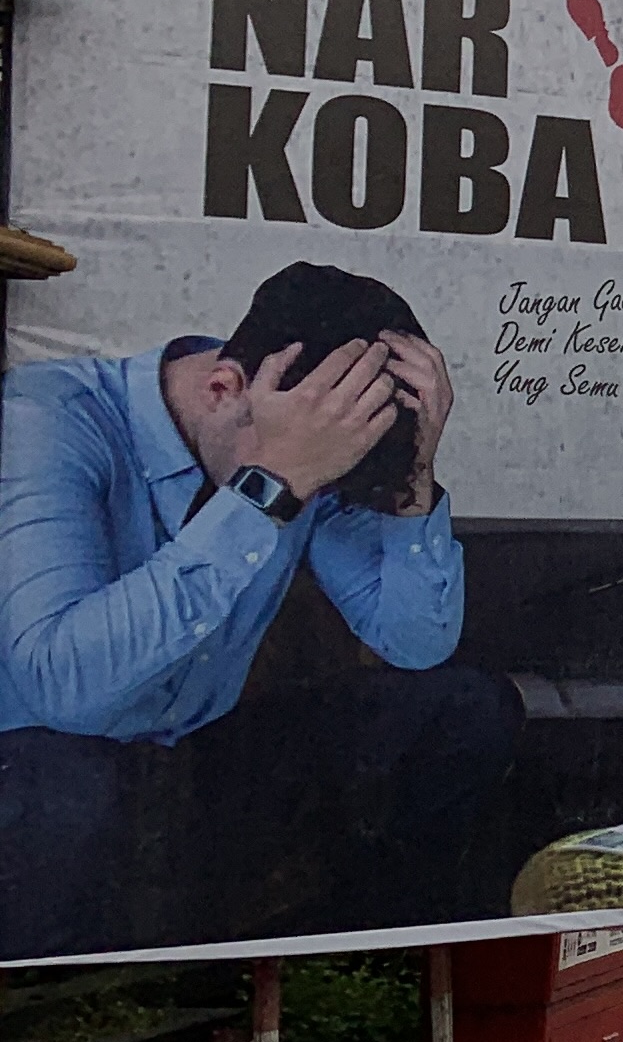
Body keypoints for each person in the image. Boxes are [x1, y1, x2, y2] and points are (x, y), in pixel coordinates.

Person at [0, 260, 461, 741]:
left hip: (196, 742)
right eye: (316, 473)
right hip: (43, 746)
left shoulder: (318, 436)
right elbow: (58, 687)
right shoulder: (45, 419)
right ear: (222, 389)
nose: (315, 494)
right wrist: (272, 487)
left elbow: (414, 643)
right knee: (75, 778)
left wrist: (414, 474)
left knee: (465, 708)